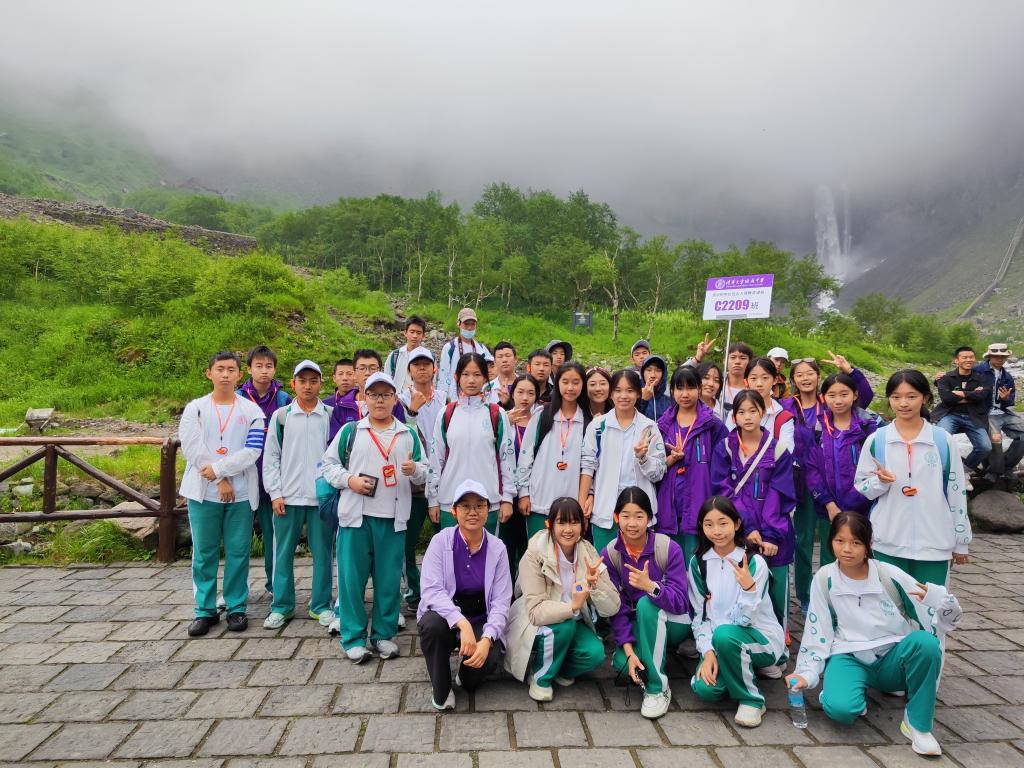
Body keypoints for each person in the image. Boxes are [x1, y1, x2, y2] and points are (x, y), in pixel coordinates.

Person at [790, 513, 962, 757]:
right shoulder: (824, 578)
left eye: (856, 542)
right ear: (830, 541)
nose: (846, 549)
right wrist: (806, 673)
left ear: (868, 544)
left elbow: (936, 618)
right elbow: (817, 631)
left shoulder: (888, 574)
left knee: (926, 643)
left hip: (893, 657)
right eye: (839, 541)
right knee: (841, 710)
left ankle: (917, 724)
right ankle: (841, 690)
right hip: (849, 656)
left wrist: (939, 600)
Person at [321, 372, 428, 663]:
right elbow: (327, 466)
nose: (380, 400)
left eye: (386, 395)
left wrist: (414, 470)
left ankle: (383, 635)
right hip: (356, 517)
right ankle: (353, 637)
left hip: (393, 518)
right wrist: (350, 480)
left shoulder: (407, 434)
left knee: (389, 581)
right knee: (351, 581)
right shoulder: (351, 431)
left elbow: (425, 470)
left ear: (395, 399)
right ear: (364, 398)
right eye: (374, 395)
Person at [854, 370, 972, 584]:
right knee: (890, 602)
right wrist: (880, 482)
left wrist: (961, 542)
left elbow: (956, 492)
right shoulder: (877, 440)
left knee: (931, 602)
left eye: (911, 396)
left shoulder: (942, 441)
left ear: (925, 398)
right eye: (896, 397)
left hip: (935, 543)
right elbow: (862, 487)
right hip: (887, 541)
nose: (903, 403)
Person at [179, 351, 266, 636]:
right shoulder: (195, 408)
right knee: (204, 552)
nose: (225, 374)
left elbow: (253, 450)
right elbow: (192, 448)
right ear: (209, 373)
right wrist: (219, 478)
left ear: (240, 374)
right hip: (203, 493)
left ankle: (236, 607)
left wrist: (219, 471)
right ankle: (204, 610)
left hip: (241, 494)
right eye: (220, 369)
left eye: (231, 369)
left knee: (238, 552)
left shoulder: (252, 412)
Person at [504, 497, 619, 701]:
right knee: (564, 626)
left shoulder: (588, 552)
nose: (568, 529)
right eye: (561, 522)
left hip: (573, 622)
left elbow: (611, 608)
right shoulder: (535, 553)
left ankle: (558, 669)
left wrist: (595, 585)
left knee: (595, 653)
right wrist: (572, 606)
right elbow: (535, 612)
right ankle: (540, 677)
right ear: (549, 524)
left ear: (583, 525)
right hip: (534, 622)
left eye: (574, 522)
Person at [689, 496, 787, 728]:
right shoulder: (698, 563)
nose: (716, 531)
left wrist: (749, 588)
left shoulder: (754, 562)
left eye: (723, 523)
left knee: (725, 635)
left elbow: (745, 620)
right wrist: (708, 651)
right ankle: (745, 667)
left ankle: (752, 699)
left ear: (737, 523)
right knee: (705, 689)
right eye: (709, 524)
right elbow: (699, 616)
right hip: (719, 641)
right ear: (702, 527)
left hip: (759, 637)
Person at [417, 479, 513, 710]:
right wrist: (461, 623)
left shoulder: (498, 548)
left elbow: (501, 601)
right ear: (454, 511)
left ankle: (465, 674)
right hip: (446, 613)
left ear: (488, 510)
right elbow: (431, 590)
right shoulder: (440, 541)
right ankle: (441, 687)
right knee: (432, 626)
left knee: (481, 667)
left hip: (480, 615)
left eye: (479, 505)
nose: (473, 512)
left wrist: (487, 638)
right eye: (465, 506)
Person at [712, 389, 796, 636]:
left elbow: (779, 495)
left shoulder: (778, 450)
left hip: (774, 534)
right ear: (734, 417)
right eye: (741, 412)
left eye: (753, 411)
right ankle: (745, 639)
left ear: (763, 412)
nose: (747, 417)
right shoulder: (725, 448)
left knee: (776, 589)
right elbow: (723, 490)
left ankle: (778, 641)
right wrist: (747, 527)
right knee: (741, 586)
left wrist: (770, 535)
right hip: (738, 531)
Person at [798, 372, 882, 613]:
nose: (838, 400)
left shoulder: (869, 427)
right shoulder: (817, 428)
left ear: (855, 395)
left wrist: (857, 502)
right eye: (832, 395)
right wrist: (828, 503)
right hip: (830, 509)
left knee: (861, 554)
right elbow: (812, 469)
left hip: (863, 507)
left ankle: (862, 607)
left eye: (844, 394)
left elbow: (877, 467)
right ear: (823, 397)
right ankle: (831, 607)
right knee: (831, 556)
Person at [604, 487, 690, 719]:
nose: (632, 523)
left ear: (650, 519)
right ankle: (645, 656)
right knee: (622, 662)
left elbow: (681, 603)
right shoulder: (611, 554)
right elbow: (618, 609)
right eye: (626, 516)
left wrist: (651, 587)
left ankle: (657, 688)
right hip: (640, 622)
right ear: (616, 517)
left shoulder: (668, 548)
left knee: (646, 604)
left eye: (639, 516)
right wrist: (628, 651)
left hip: (674, 622)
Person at [261, 360, 334, 629]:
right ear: (293, 383)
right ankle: (282, 606)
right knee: (282, 553)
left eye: (313, 381)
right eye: (302, 381)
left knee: (323, 553)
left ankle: (321, 605)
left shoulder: (330, 415)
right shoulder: (282, 416)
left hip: (320, 498)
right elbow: (271, 457)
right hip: (288, 497)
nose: (308, 386)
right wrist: (275, 493)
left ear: (321, 384)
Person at [580, 369, 667, 553]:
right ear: (611, 394)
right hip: (605, 510)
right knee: (604, 563)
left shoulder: (649, 427)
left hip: (640, 512)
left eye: (630, 391)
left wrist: (643, 458)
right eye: (618, 391)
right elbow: (588, 467)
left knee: (639, 564)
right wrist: (582, 503)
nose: (624, 396)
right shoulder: (598, 426)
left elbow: (659, 473)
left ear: (638, 393)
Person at [428, 353, 516, 534]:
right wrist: (432, 499)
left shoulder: (496, 413)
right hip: (450, 501)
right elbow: (436, 458)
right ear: (457, 377)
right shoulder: (446, 413)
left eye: (477, 375)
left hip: (488, 503)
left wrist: (507, 498)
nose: (471, 380)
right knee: (451, 549)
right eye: (466, 374)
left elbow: (506, 457)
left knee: (486, 551)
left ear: (485, 378)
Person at [654, 366, 729, 567]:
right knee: (670, 565)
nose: (685, 394)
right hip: (668, 506)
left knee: (696, 565)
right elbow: (654, 467)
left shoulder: (712, 425)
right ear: (672, 391)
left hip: (700, 505)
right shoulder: (662, 425)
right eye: (679, 388)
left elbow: (723, 469)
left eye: (690, 387)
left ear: (699, 389)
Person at [238, 345, 292, 594]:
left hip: (274, 481)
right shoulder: (238, 398)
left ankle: (274, 585)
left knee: (274, 537)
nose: (264, 371)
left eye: (268, 366)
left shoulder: (283, 400)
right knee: (238, 539)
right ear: (249, 369)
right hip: (243, 478)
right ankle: (237, 589)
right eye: (258, 366)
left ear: (275, 370)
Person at [398, 347, 449, 610]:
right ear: (409, 370)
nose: (421, 368)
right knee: (407, 542)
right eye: (416, 364)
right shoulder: (400, 400)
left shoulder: (444, 399)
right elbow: (400, 435)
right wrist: (411, 411)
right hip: (413, 483)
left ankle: (445, 589)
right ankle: (414, 591)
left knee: (446, 540)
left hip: (442, 480)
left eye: (426, 364)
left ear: (434, 368)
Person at [517, 363, 591, 538]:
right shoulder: (542, 415)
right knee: (537, 552)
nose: (570, 387)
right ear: (557, 383)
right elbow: (526, 455)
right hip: (538, 503)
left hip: (571, 509)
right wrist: (523, 493)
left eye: (576, 382)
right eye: (565, 382)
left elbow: (590, 466)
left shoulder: (588, 422)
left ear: (583, 385)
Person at [931, 346, 993, 481]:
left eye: (971, 357)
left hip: (973, 416)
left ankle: (963, 470)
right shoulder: (946, 377)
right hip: (950, 414)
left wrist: (960, 394)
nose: (969, 360)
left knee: (985, 447)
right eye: (965, 357)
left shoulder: (981, 378)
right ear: (957, 360)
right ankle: (937, 469)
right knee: (940, 440)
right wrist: (972, 394)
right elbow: (947, 399)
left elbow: (982, 396)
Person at [327, 349, 406, 442]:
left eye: (372, 368)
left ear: (380, 371)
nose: (367, 373)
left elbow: (402, 437)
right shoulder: (342, 406)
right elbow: (335, 442)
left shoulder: (392, 404)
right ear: (354, 373)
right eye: (362, 368)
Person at [974, 342, 1024, 479]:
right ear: (989, 356)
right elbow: (958, 380)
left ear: (1006, 358)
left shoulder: (1007, 376)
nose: (1000, 358)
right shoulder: (977, 371)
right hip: (985, 413)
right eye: (996, 356)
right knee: (996, 438)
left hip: (1002, 412)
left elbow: (1011, 401)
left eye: (1003, 356)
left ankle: (1006, 466)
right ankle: (994, 472)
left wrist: (1005, 398)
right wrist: (939, 380)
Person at [727, 358, 795, 455]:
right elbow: (728, 448)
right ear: (746, 381)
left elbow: (785, 454)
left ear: (775, 380)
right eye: (753, 378)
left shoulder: (783, 418)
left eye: (765, 378)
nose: (759, 384)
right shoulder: (734, 414)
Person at [437, 307, 490, 400]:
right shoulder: (450, 348)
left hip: (477, 398)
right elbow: (443, 375)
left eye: (472, 324)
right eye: (466, 324)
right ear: (458, 323)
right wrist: (443, 398)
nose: (469, 328)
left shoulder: (482, 349)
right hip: (454, 398)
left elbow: (488, 374)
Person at [384, 316, 427, 392]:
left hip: (420, 397)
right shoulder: (394, 356)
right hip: (397, 398)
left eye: (418, 333)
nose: (415, 336)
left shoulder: (428, 357)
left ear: (423, 336)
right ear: (405, 333)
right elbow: (386, 380)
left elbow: (432, 382)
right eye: (412, 332)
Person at [721, 342, 753, 417]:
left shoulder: (755, 387)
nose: (737, 362)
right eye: (733, 357)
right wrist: (697, 359)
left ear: (750, 362)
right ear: (724, 361)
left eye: (743, 358)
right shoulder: (717, 383)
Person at [639, 355, 672, 421]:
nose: (653, 375)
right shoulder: (634, 396)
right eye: (649, 370)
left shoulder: (671, 398)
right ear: (642, 373)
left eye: (658, 370)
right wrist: (644, 400)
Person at [486, 341, 519, 406]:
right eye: (500, 357)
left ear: (515, 359)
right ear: (495, 361)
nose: (504, 360)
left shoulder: (526, 383)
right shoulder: (486, 388)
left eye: (508, 356)